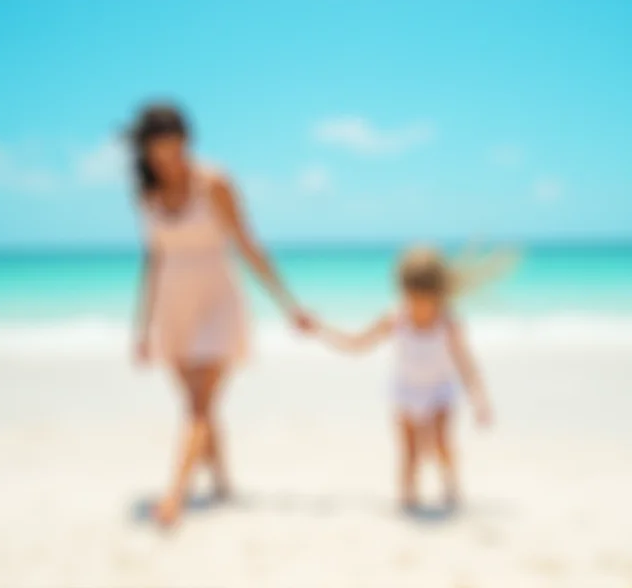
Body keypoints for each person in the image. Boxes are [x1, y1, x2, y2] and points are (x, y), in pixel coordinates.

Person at [130, 103, 312, 526]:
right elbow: (154, 260)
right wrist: (142, 327)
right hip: (173, 307)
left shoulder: (214, 183)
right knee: (200, 407)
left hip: (218, 302)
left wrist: (288, 304)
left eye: (175, 151)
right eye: (158, 154)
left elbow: (248, 244)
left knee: (197, 405)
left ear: (187, 143)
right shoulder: (147, 194)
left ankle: (174, 496)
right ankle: (223, 483)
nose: (169, 163)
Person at [313, 246, 512, 510]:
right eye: (412, 298)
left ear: (438, 295)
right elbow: (356, 343)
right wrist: (320, 329)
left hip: (440, 391)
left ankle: (450, 486)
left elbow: (467, 366)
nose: (418, 306)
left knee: (442, 444)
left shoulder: (448, 323)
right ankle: (408, 498)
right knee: (410, 454)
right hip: (406, 392)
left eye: (424, 300)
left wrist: (480, 399)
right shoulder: (396, 319)